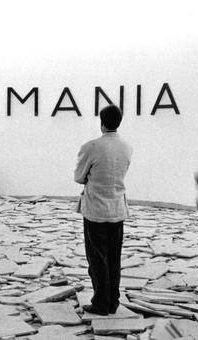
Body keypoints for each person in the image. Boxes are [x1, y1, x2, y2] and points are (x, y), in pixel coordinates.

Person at [74, 104, 133, 315]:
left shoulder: (91, 147)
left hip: (96, 211)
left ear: (101, 122)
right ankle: (112, 302)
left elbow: (79, 177)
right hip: (117, 209)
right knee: (114, 258)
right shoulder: (127, 147)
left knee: (97, 259)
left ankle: (101, 303)